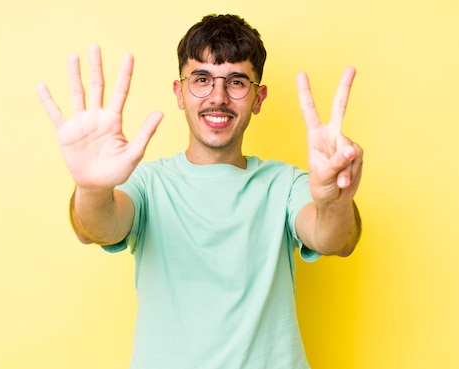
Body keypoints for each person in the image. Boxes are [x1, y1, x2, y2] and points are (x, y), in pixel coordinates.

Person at [37, 14, 363, 369]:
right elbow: (96, 228)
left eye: (237, 81)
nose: (218, 97)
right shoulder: (148, 183)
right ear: (180, 92)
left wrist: (334, 200)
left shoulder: (285, 184)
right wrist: (92, 188)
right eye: (202, 79)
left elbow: (335, 240)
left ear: (258, 97)